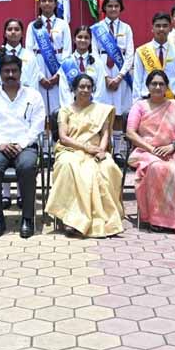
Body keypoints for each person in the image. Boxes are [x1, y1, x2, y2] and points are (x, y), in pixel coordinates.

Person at [47, 73, 125, 238]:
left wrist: (102, 150)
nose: (85, 90)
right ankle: (70, 218)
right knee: (68, 166)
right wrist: (85, 148)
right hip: (70, 149)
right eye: (82, 87)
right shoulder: (65, 110)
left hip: (96, 150)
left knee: (108, 167)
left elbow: (105, 134)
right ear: (74, 89)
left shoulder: (101, 110)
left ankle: (104, 219)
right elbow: (63, 138)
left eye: (89, 87)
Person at [0, 54, 46, 239]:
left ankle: (28, 218)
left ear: (20, 73)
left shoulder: (33, 95)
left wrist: (21, 144)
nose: (10, 75)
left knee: (28, 166)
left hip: (25, 146)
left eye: (14, 71)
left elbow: (38, 125)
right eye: (6, 71)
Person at [126, 70, 175, 233]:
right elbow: (130, 133)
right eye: (154, 84)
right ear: (148, 86)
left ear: (167, 87)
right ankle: (158, 219)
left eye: (161, 84)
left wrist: (173, 146)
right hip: (146, 150)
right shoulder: (139, 106)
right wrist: (152, 149)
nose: (158, 87)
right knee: (158, 168)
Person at [90, 0, 135, 147]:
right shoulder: (97, 28)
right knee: (102, 111)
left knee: (118, 112)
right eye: (110, 6)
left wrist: (120, 76)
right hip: (102, 70)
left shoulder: (126, 28)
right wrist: (105, 77)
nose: (113, 9)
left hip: (120, 71)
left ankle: (117, 149)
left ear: (120, 8)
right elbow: (94, 53)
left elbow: (130, 54)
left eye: (116, 6)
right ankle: (102, 146)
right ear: (104, 8)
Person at [26, 0, 72, 123]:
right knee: (39, 104)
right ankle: (41, 133)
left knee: (58, 104)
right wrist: (40, 76)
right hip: (38, 63)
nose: (47, 3)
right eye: (44, 1)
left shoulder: (63, 24)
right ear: (39, 4)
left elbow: (67, 50)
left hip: (58, 64)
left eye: (50, 0)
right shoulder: (32, 26)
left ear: (56, 4)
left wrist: (59, 74)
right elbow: (29, 52)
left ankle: (57, 132)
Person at [132, 13, 175, 101]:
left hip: (171, 99)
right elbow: (137, 80)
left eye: (165, 26)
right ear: (152, 28)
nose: (161, 29)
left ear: (170, 28)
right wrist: (136, 101)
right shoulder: (141, 51)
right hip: (147, 100)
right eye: (158, 26)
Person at [58, 26, 106, 110]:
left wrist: (92, 109)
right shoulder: (66, 63)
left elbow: (100, 89)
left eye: (86, 38)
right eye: (80, 37)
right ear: (74, 39)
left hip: (92, 110)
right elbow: (64, 91)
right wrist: (72, 109)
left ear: (90, 41)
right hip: (72, 110)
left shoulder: (98, 63)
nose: (83, 40)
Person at [0, 18, 42, 91]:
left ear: (22, 34)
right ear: (4, 34)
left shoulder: (30, 56)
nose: (13, 32)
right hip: (1, 95)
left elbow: (34, 82)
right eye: (9, 29)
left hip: (25, 95)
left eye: (17, 29)